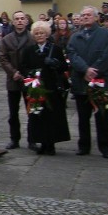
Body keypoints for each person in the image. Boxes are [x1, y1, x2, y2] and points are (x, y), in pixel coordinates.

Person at [66, 5, 108, 158]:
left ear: (96, 17)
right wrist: (85, 69)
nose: (85, 17)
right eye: (83, 15)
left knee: (102, 117)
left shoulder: (106, 35)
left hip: (100, 81)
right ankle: (84, 145)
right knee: (83, 118)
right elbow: (72, 54)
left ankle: (106, 147)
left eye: (88, 15)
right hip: (81, 81)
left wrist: (94, 70)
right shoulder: (75, 36)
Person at [19, 20, 71, 155]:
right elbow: (23, 66)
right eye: (36, 33)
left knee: (52, 116)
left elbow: (64, 67)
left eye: (42, 33)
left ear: (47, 34)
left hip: (52, 87)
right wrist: (30, 73)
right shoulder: (29, 50)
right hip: (36, 87)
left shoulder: (55, 49)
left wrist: (55, 63)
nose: (39, 35)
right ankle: (41, 142)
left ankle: (51, 144)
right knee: (38, 115)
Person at [0, 10, 35, 150]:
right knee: (13, 113)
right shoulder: (7, 39)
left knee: (32, 111)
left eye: (22, 18)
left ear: (26, 21)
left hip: (29, 79)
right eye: (17, 19)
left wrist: (26, 74)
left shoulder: (32, 38)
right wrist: (13, 72)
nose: (20, 21)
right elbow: (3, 58)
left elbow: (35, 58)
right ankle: (14, 139)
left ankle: (32, 139)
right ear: (13, 22)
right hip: (13, 79)